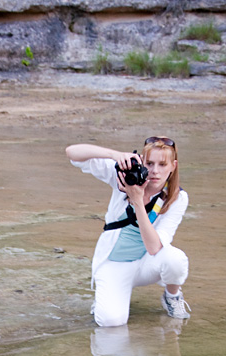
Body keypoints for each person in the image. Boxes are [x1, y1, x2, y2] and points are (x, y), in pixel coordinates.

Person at [66, 137, 190, 327]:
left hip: (148, 262)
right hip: (115, 262)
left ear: (173, 166)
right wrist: (115, 156)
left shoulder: (176, 198)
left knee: (176, 259)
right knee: (111, 322)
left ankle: (172, 297)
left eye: (162, 164)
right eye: (149, 163)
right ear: (141, 161)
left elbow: (155, 247)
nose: (155, 171)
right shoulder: (123, 177)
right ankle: (105, 299)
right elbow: (73, 153)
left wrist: (138, 201)